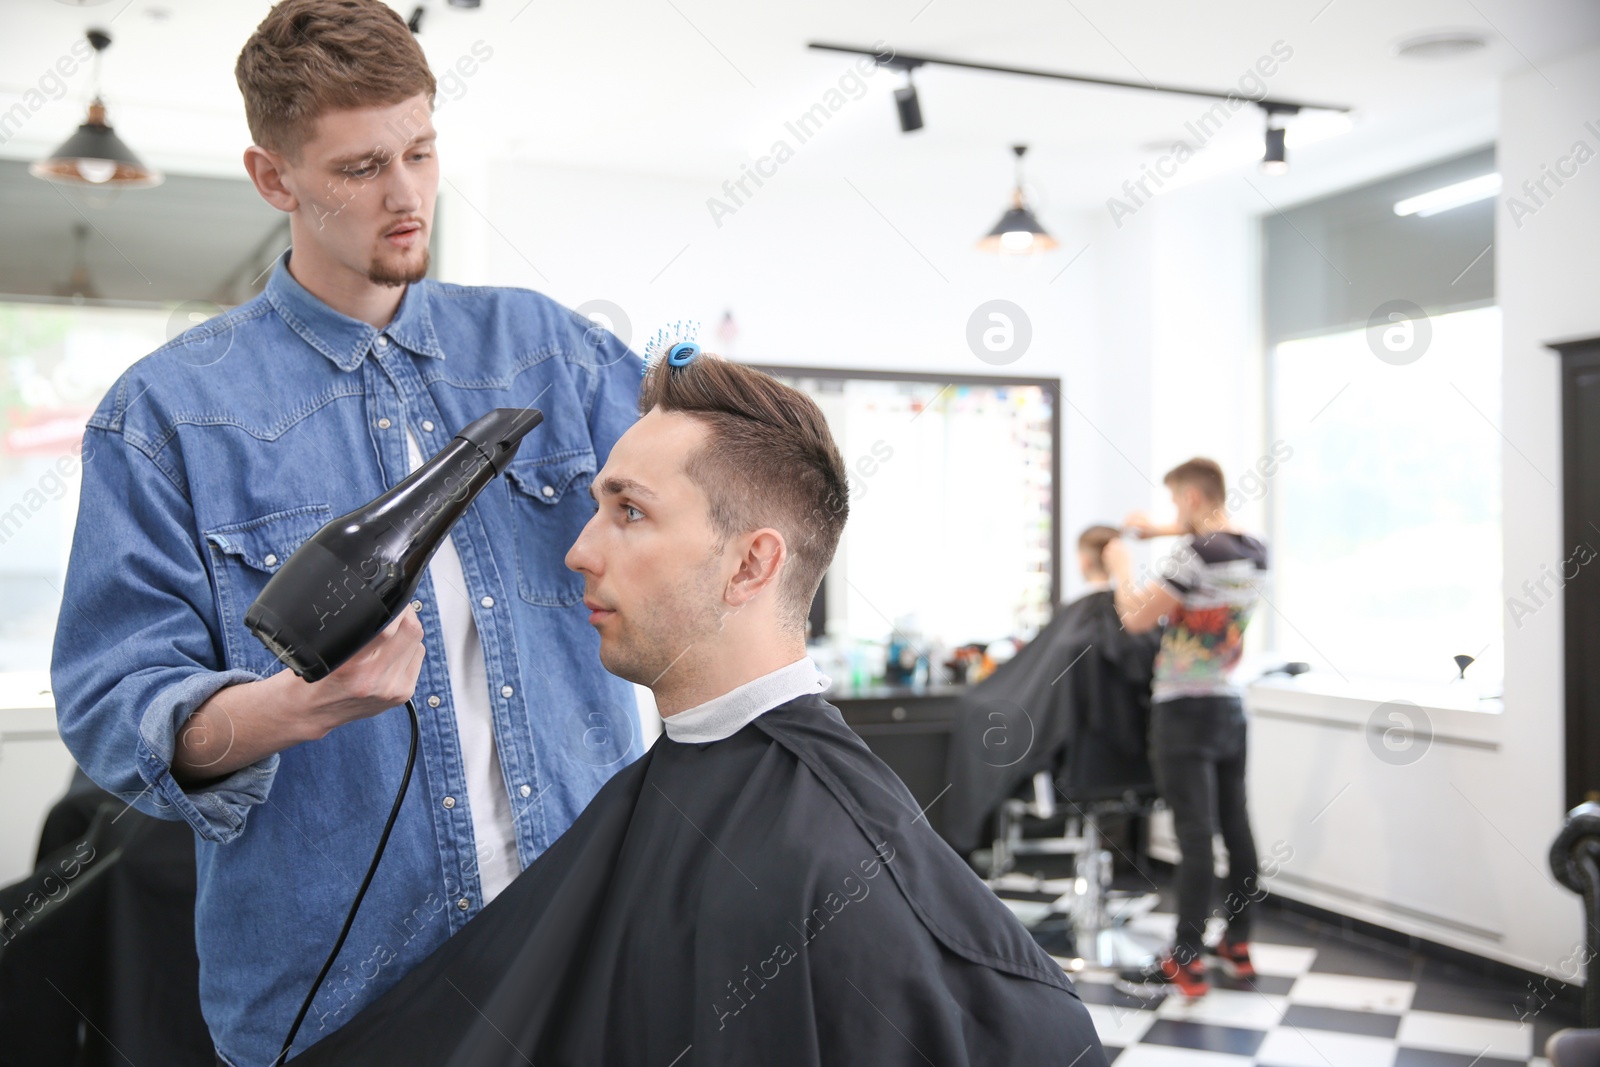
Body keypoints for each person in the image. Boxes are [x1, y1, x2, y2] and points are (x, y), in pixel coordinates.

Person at [48, 2, 643, 1062]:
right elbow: (111, 706)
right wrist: (284, 710)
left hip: (583, 956)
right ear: (274, 178)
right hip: (338, 1006)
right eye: (363, 168)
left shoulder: (548, 352)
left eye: (420, 150)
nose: (408, 194)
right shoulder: (168, 415)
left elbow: (694, 520)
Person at [289, 349, 1109, 1066]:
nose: (580, 549)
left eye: (630, 511)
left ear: (751, 565)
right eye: (597, 507)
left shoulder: (832, 865)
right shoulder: (675, 782)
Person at [1102, 458, 1268, 998]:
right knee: (1236, 828)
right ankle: (1238, 944)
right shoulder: (1255, 550)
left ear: (1193, 498)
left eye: (1177, 503)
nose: (1174, 513)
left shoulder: (1194, 555)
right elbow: (1220, 534)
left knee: (1195, 838)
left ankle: (1185, 960)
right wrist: (1161, 529)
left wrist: (1121, 567)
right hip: (1228, 706)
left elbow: (1136, 618)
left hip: (1182, 711)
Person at [942, 525, 1160, 859]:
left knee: (979, 711)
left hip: (1075, 767)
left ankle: (963, 847)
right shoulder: (1141, 621)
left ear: (1083, 561)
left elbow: (1032, 693)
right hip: (1132, 763)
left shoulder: (1075, 624)